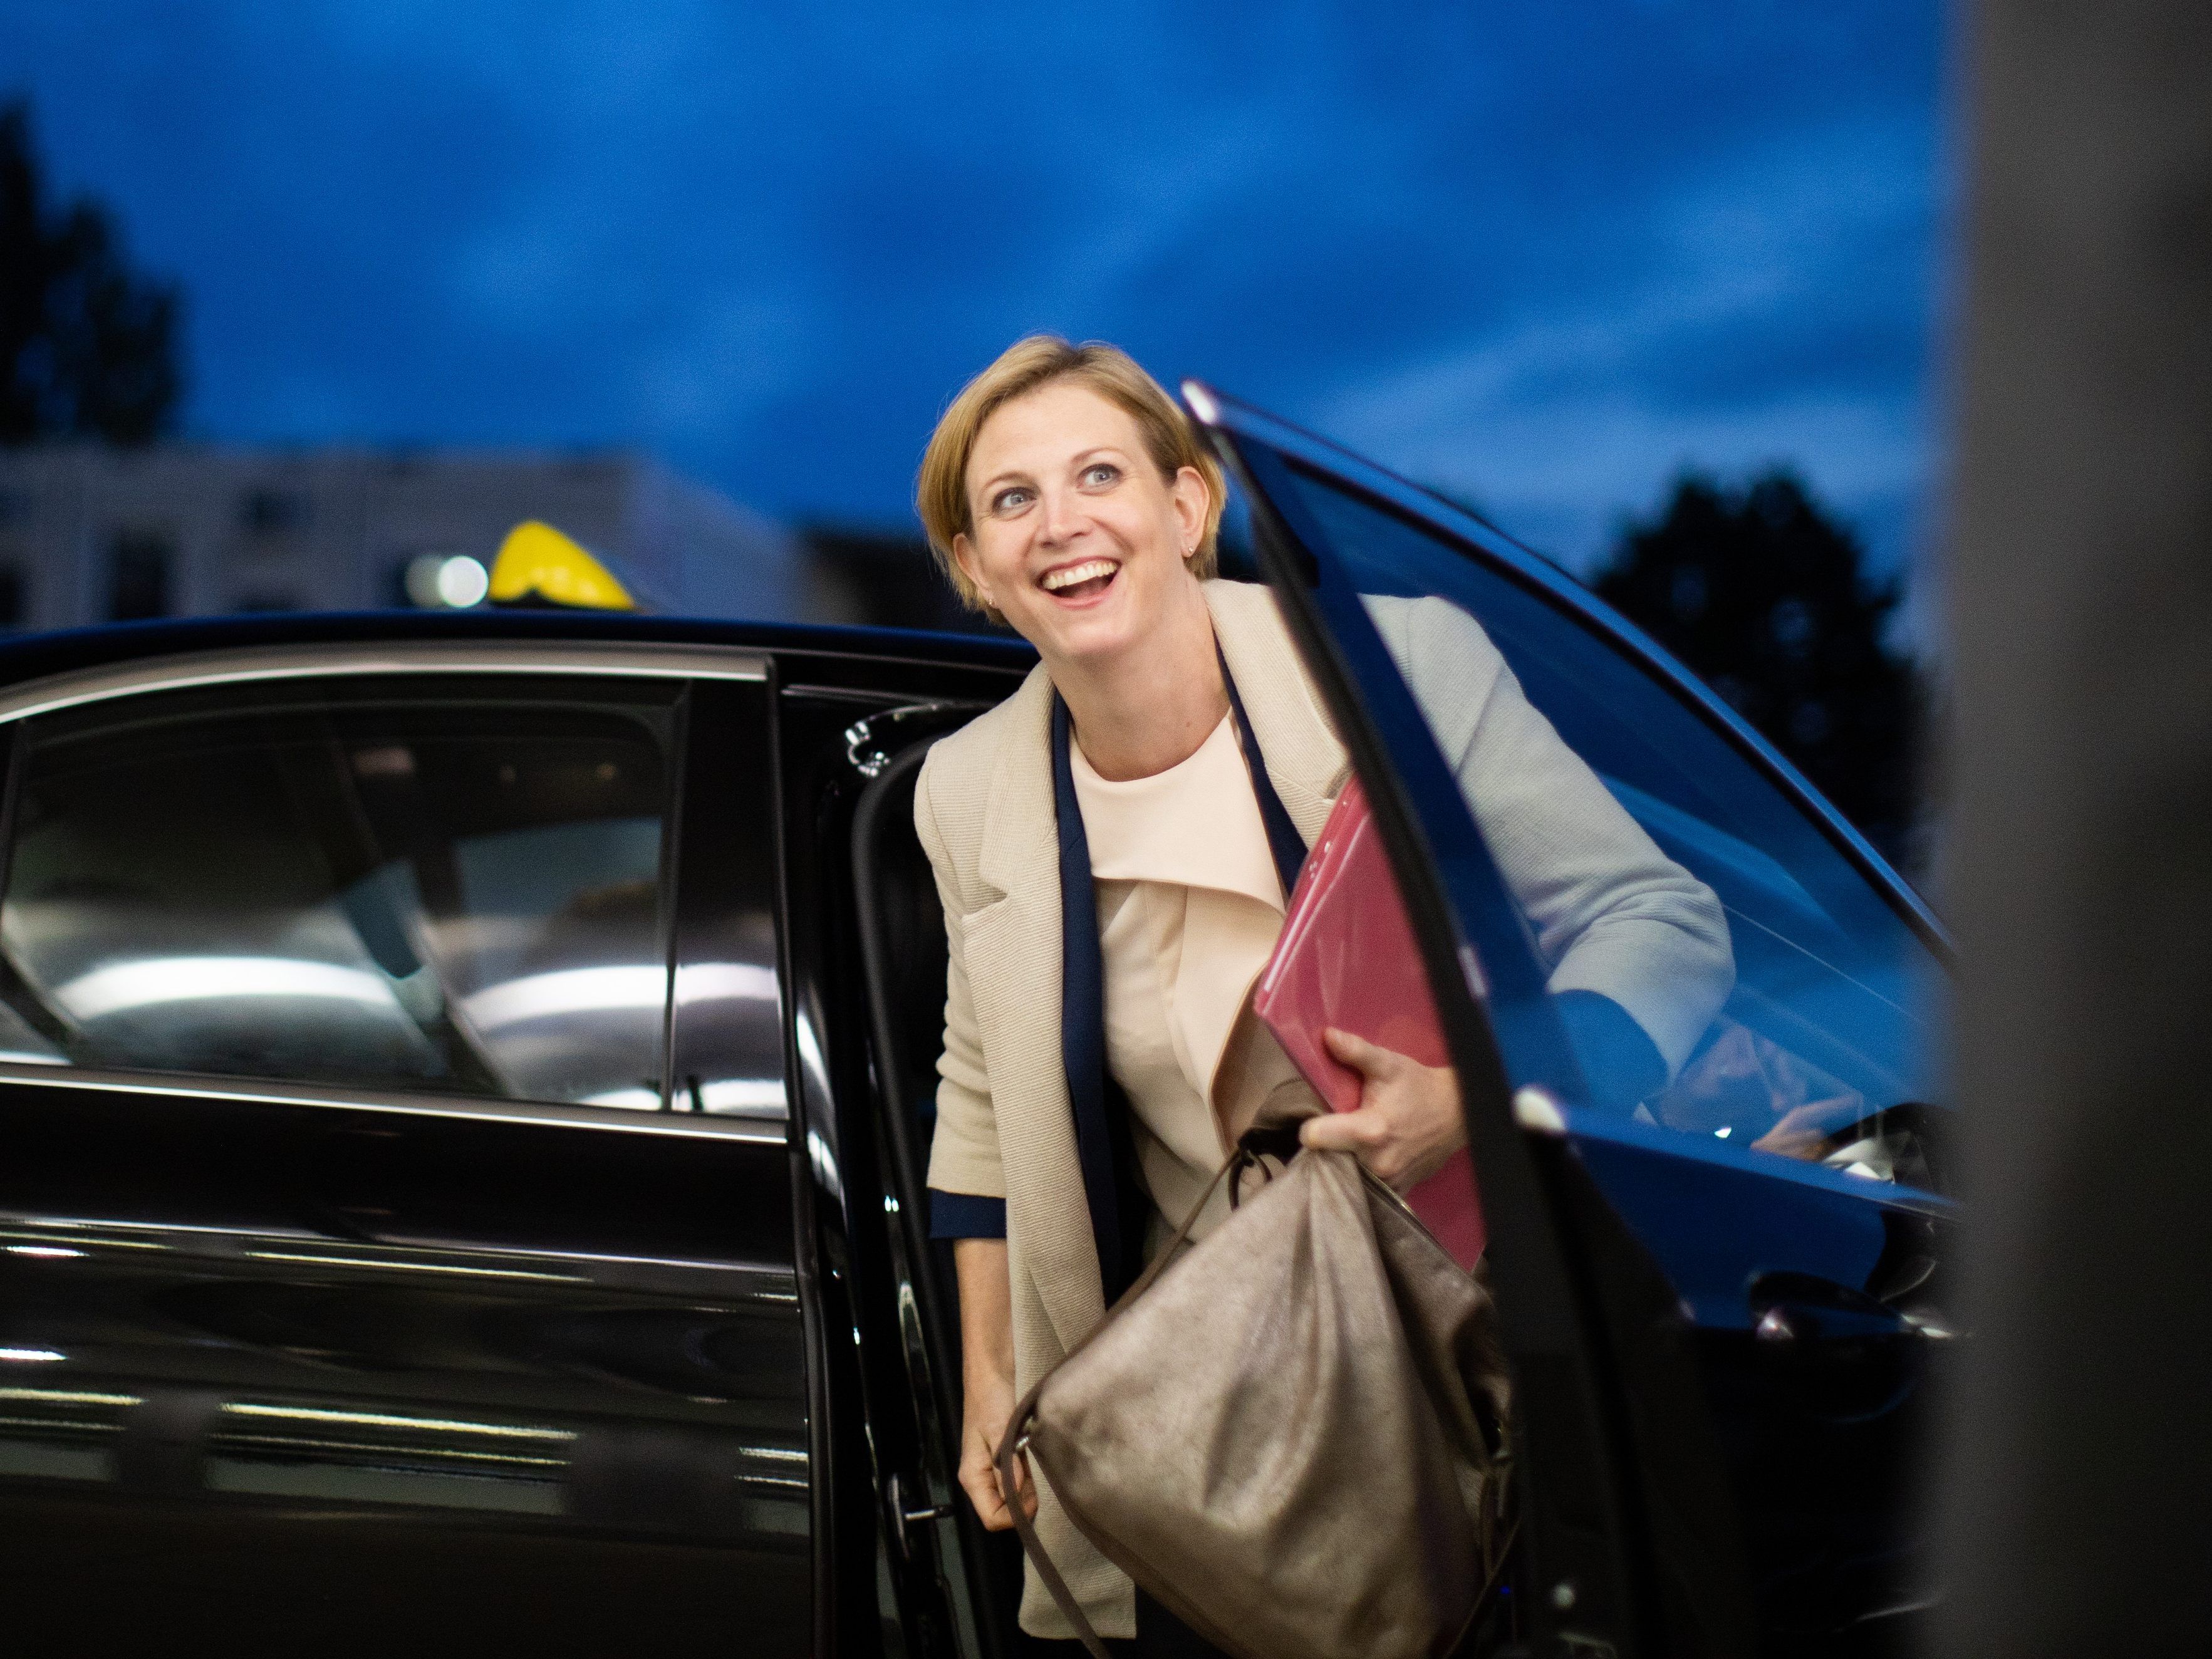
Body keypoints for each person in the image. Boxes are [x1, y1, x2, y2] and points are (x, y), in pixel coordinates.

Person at [912, 336, 1735, 1649]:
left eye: (1097, 476)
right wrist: (991, 1374)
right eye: (1010, 500)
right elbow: (975, 1088)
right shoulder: (964, 789)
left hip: (1464, 1362)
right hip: (1197, 1414)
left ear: (1186, 510)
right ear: (972, 565)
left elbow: (1658, 921)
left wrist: (1480, 1093)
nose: (1058, 525)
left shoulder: (1393, 671)